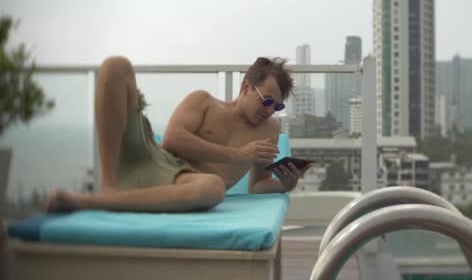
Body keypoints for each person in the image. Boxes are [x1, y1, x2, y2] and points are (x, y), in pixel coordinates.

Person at [45, 55, 312, 212]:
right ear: (245, 87)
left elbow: (256, 185)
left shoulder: (270, 130)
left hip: (187, 184)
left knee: (212, 187)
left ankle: (89, 202)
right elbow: (173, 139)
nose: (270, 110)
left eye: (277, 106)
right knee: (116, 66)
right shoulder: (204, 102)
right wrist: (236, 155)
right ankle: (110, 186)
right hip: (153, 161)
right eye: (266, 101)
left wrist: (283, 186)